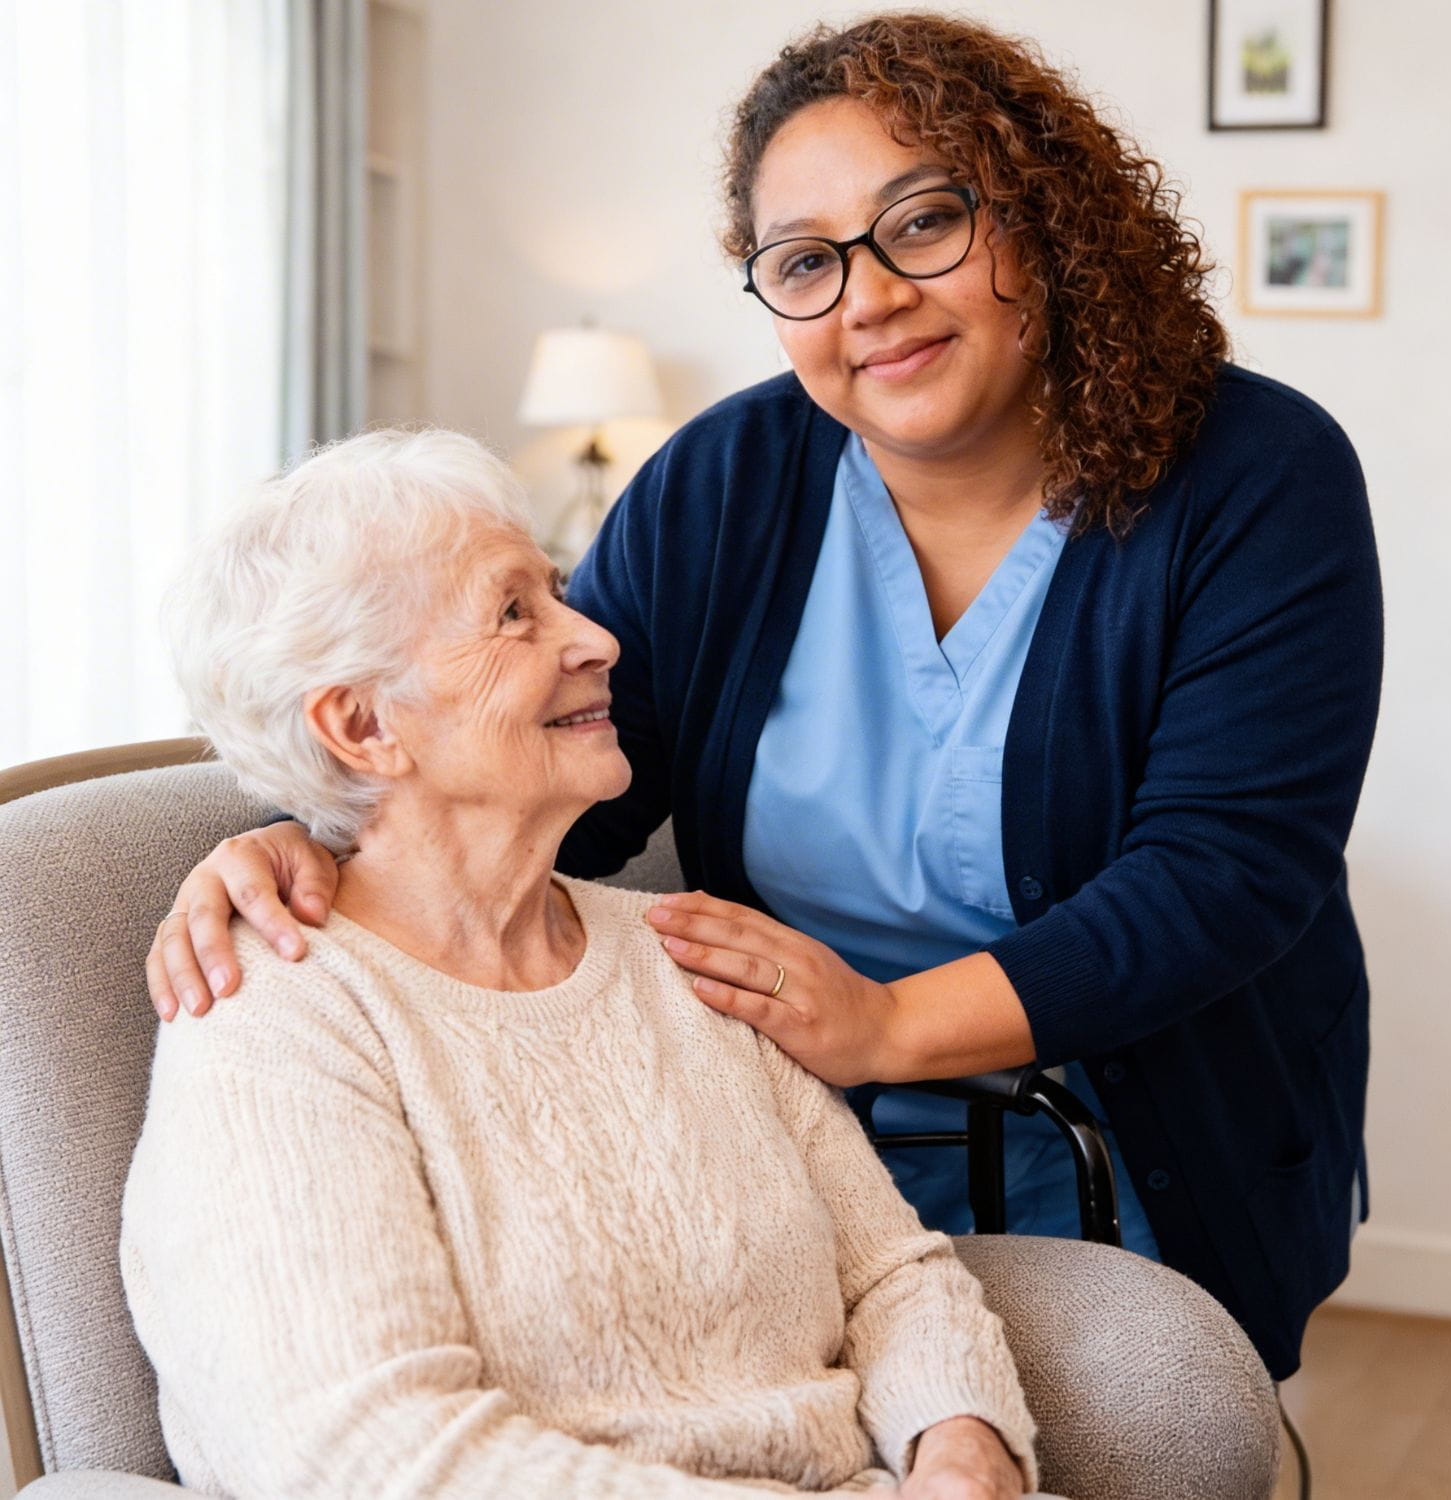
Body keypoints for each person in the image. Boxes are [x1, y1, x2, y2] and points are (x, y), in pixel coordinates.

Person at [145, 13, 1382, 1381]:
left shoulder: (1258, 477)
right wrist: (313, 841)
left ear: (1043, 220)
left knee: (1156, 1413)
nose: (870, 298)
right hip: (787, 1139)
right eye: (804, 263)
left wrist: (892, 1025)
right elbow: (554, 762)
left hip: (1139, 1134)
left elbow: (1225, 877)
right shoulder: (723, 484)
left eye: (923, 223)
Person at [123, 428, 1051, 1500]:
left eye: (559, 594)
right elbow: (368, 1456)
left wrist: (964, 1450)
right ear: (366, 724)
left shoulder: (682, 953)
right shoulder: (276, 1019)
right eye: (515, 612)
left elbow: (893, 1278)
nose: (598, 637)